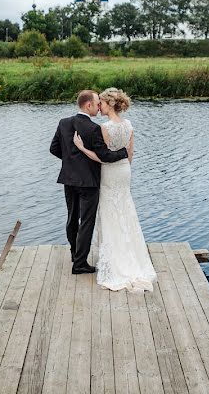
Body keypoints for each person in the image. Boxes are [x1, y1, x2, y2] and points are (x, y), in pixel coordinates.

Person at [73, 87, 156, 292]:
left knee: (110, 213)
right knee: (126, 209)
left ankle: (115, 261)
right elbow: (130, 152)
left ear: (108, 104)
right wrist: (126, 169)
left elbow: (103, 157)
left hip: (110, 172)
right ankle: (132, 256)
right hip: (124, 171)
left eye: (101, 102)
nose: (98, 106)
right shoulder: (128, 125)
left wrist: (82, 148)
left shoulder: (105, 128)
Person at [50, 90, 128, 274]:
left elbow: (53, 148)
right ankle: (80, 264)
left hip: (69, 180)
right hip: (89, 182)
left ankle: (74, 254)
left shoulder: (63, 123)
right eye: (97, 103)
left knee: (72, 218)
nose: (98, 106)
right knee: (86, 221)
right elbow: (105, 156)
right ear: (88, 105)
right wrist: (123, 153)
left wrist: (70, 161)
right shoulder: (93, 129)